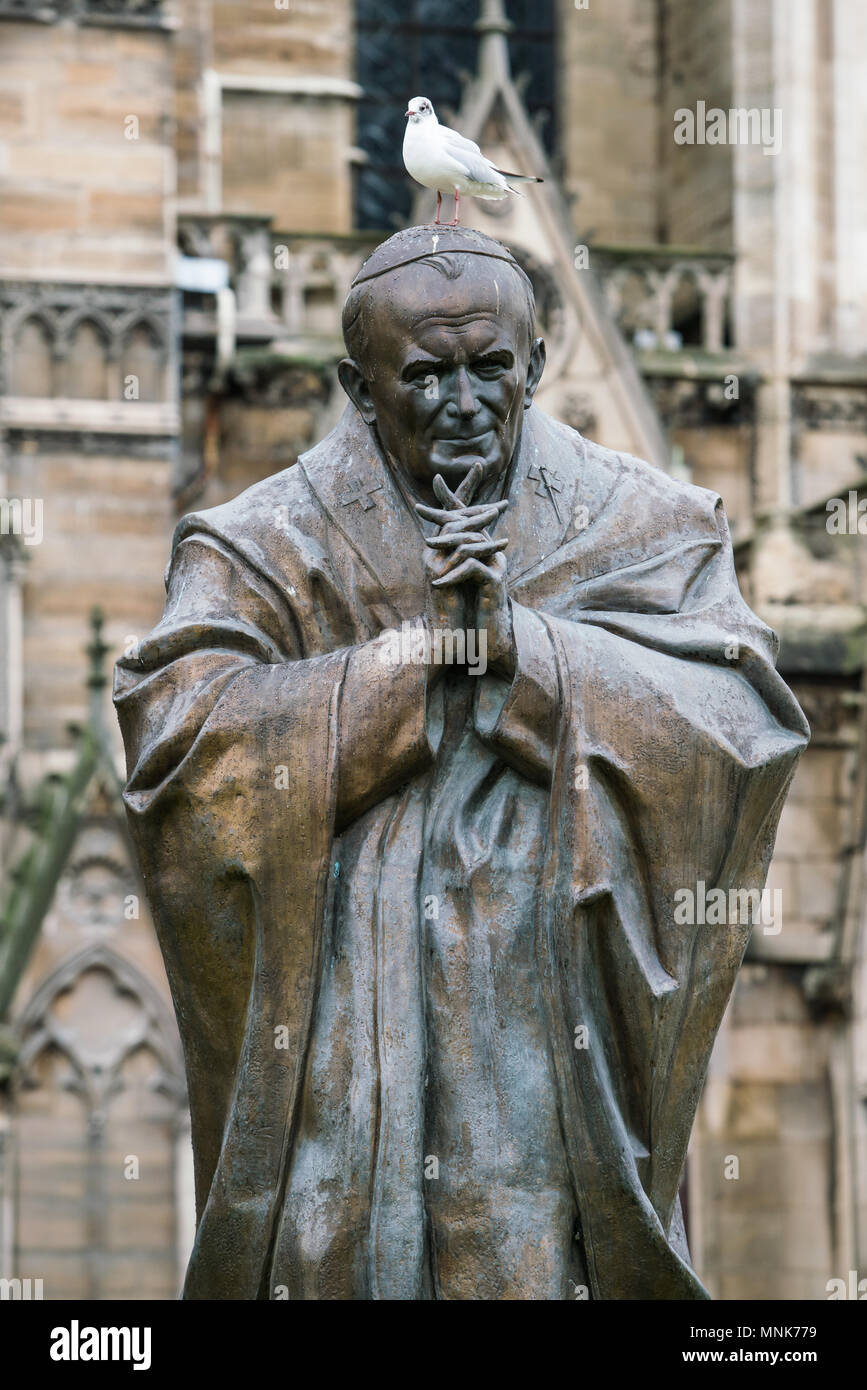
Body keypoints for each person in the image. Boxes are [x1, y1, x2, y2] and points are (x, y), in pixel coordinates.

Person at [115, 225, 808, 1300]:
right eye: (425, 374)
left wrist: (524, 656)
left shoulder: (648, 522)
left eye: (491, 367)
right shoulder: (260, 543)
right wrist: (410, 666)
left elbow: (743, 721)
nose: (464, 399)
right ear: (358, 385)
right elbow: (178, 748)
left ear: (535, 361)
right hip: (344, 1087)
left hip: (549, 1069)